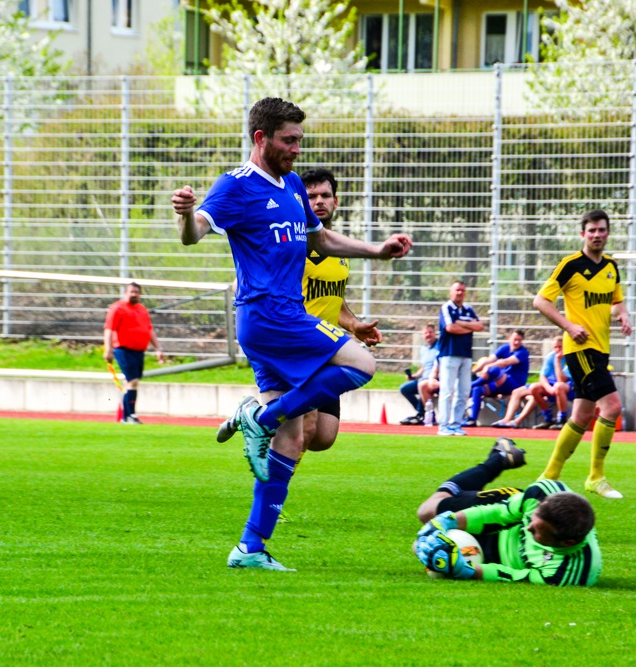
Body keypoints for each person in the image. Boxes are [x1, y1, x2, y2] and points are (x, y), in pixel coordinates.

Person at [171, 97, 412, 571]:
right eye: (289, 140)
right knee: (363, 364)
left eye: (300, 140)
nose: (297, 149)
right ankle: (259, 415)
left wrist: (376, 251)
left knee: (295, 440)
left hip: (276, 320)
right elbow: (194, 232)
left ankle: (249, 548)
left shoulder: (294, 185)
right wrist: (184, 212)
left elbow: (318, 238)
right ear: (261, 139)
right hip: (271, 314)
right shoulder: (236, 186)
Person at [533, 209, 633, 500]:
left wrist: (623, 315)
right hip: (580, 348)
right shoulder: (570, 265)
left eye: (602, 230)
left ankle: (548, 477)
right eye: (592, 230)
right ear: (583, 234)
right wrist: (568, 325)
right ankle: (596, 477)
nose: (597, 235)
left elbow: (616, 302)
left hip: (601, 349)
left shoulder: (612, 267)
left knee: (581, 416)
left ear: (608, 233)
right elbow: (540, 300)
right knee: (612, 407)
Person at [413, 438, 601, 586]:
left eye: (537, 532)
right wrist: (449, 520)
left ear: (567, 542)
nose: (527, 528)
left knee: (421, 547)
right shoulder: (541, 493)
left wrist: (466, 571)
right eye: (532, 521)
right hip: (507, 514)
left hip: (497, 557)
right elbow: (498, 514)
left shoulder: (567, 573)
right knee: (427, 511)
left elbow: (515, 576)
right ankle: (499, 459)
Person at [298, 167, 381, 453]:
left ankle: (262, 416)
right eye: (310, 197)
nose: (319, 201)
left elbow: (335, 299)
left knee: (323, 437)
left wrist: (354, 325)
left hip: (327, 348)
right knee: (304, 430)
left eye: (325, 195)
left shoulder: (339, 249)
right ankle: (273, 496)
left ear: (336, 201)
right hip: (297, 345)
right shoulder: (291, 244)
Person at [103, 282, 166, 425]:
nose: (134, 294)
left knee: (132, 382)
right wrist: (108, 349)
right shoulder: (117, 308)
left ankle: (125, 416)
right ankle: (131, 415)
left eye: (137, 292)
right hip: (123, 349)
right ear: (126, 292)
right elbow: (109, 329)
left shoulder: (142, 309)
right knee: (133, 381)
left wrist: (158, 348)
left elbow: (149, 329)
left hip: (139, 351)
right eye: (132, 292)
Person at [491, 335, 573, 429]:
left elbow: (561, 379)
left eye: (560, 347)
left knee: (558, 386)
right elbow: (542, 376)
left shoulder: (569, 358)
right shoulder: (551, 356)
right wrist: (548, 388)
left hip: (566, 385)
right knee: (529, 389)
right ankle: (508, 420)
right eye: (555, 347)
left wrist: (558, 361)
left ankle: (561, 419)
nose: (558, 350)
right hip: (551, 384)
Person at [436, 280, 484, 436]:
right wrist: (468, 326)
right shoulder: (446, 308)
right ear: (451, 292)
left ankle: (456, 424)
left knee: (463, 391)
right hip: (449, 354)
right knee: (447, 390)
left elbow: (480, 326)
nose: (460, 293)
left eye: (462, 290)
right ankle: (443, 425)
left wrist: (462, 323)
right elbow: (450, 328)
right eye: (457, 290)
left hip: (466, 355)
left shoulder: (469, 309)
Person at [465, 329, 531, 427]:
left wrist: (488, 367)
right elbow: (489, 360)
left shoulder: (523, 352)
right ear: (509, 339)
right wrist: (473, 372)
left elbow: (505, 362)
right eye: (515, 339)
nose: (517, 342)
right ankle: (472, 419)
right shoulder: (504, 348)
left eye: (519, 340)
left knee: (495, 370)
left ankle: (469, 385)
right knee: (478, 389)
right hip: (500, 382)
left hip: (514, 384)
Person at [399, 323, 439, 425]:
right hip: (424, 378)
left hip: (436, 379)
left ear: (435, 333)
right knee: (404, 388)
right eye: (426, 333)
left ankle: (423, 414)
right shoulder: (423, 349)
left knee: (422, 384)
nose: (428, 335)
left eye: (430, 332)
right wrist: (414, 376)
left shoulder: (440, 346)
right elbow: (424, 367)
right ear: (422, 335)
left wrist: (433, 377)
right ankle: (422, 413)